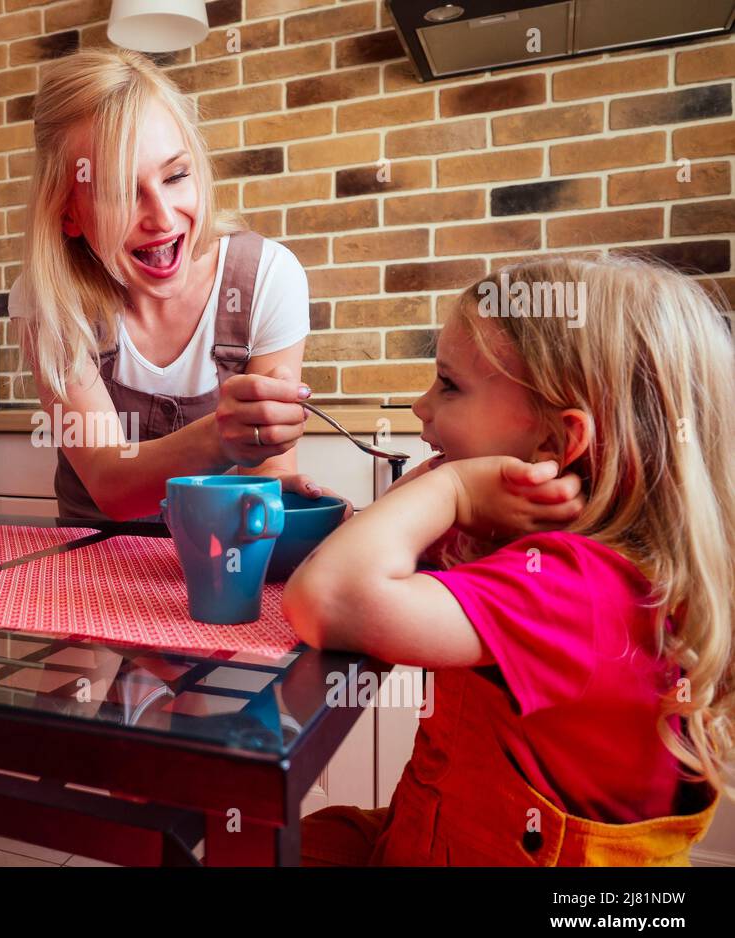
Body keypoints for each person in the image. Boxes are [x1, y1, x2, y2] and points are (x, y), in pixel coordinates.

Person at [283, 255, 733, 865]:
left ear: (554, 441)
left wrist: (451, 489)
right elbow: (381, 547)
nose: (421, 406)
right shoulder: (530, 546)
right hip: (427, 833)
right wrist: (446, 490)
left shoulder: (575, 589)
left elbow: (328, 598)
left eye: (448, 384)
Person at [10, 49, 342, 521]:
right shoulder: (47, 298)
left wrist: (280, 484)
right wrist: (219, 435)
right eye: (121, 191)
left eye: (176, 175)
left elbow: (265, 473)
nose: (163, 218)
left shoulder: (268, 276)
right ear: (68, 212)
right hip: (87, 563)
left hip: (222, 554)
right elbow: (109, 483)